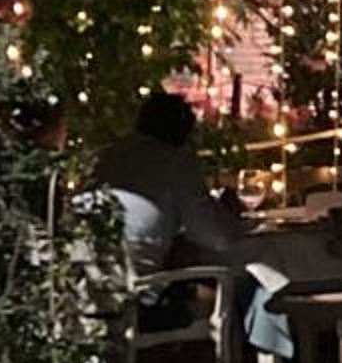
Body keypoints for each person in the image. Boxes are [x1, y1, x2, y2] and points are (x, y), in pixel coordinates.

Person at [90, 91, 241, 272]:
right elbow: (215, 236)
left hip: (90, 273)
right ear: (182, 133)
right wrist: (232, 217)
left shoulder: (108, 156)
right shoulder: (174, 161)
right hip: (138, 278)